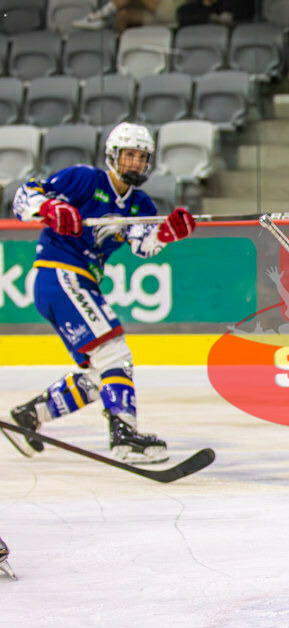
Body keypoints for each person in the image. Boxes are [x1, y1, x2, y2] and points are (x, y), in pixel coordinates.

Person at [7, 122, 197, 465]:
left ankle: (29, 417)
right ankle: (124, 435)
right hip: (60, 274)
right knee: (113, 352)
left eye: (142, 157)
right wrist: (51, 209)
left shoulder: (140, 203)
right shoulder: (83, 179)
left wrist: (167, 234)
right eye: (129, 156)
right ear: (113, 156)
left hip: (81, 283)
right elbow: (24, 198)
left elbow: (144, 244)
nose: (135, 163)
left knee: (102, 373)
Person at [73, 0, 180, 32]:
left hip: (174, 10)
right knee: (122, 15)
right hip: (154, 15)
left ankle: (97, 17)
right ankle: (121, 48)